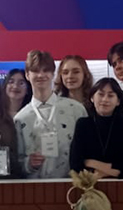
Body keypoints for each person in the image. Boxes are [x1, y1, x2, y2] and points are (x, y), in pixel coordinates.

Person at [15, 49, 86, 178]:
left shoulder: (76, 110)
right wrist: (28, 164)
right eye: (35, 71)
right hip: (35, 186)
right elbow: (16, 163)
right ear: (27, 75)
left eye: (46, 70)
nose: (41, 75)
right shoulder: (20, 118)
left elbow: (88, 151)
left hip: (73, 184)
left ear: (53, 74)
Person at [70, 78, 123, 179]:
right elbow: (75, 165)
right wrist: (111, 169)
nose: (105, 99)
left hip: (119, 185)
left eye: (110, 95)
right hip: (87, 184)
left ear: (118, 101)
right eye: (101, 94)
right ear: (92, 98)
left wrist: (90, 162)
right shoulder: (83, 124)